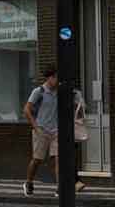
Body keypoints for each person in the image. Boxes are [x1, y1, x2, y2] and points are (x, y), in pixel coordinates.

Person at [23, 68, 87, 197]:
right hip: (41, 130)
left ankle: (60, 188)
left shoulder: (60, 91)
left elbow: (76, 100)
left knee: (58, 159)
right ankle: (29, 182)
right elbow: (27, 109)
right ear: (50, 78)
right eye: (56, 78)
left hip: (57, 131)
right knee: (37, 159)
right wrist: (35, 127)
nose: (58, 81)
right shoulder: (39, 92)